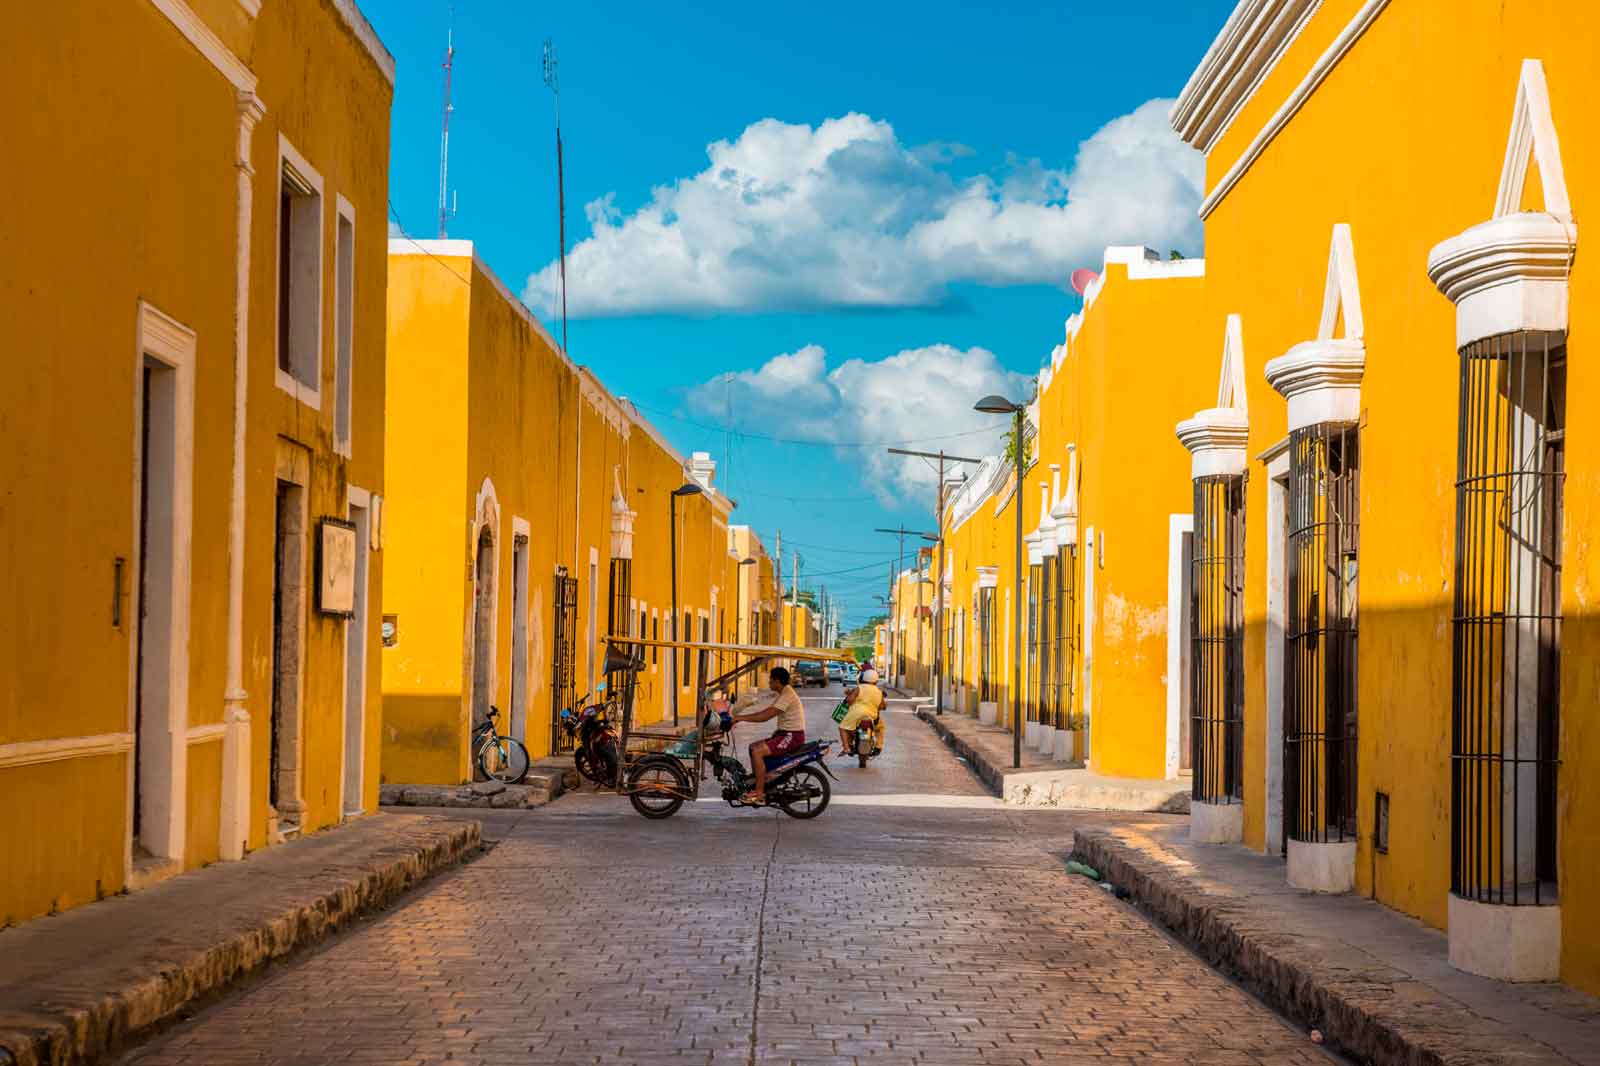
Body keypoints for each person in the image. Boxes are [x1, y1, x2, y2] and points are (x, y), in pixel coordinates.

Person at [728, 665, 807, 804]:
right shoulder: (782, 693)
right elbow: (763, 704)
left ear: (777, 681)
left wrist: (741, 718)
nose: (769, 682)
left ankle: (759, 793)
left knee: (758, 752)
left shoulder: (787, 695)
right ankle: (761, 780)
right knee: (753, 747)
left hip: (792, 736)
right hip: (783, 734)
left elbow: (765, 716)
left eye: (771, 680)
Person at [838, 668, 885, 757]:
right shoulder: (879, 692)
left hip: (856, 714)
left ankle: (846, 747)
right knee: (880, 728)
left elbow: (850, 700)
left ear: (863, 678)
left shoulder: (859, 688)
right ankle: (878, 747)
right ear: (876, 680)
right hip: (872, 715)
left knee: (843, 727)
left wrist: (849, 697)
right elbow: (882, 706)